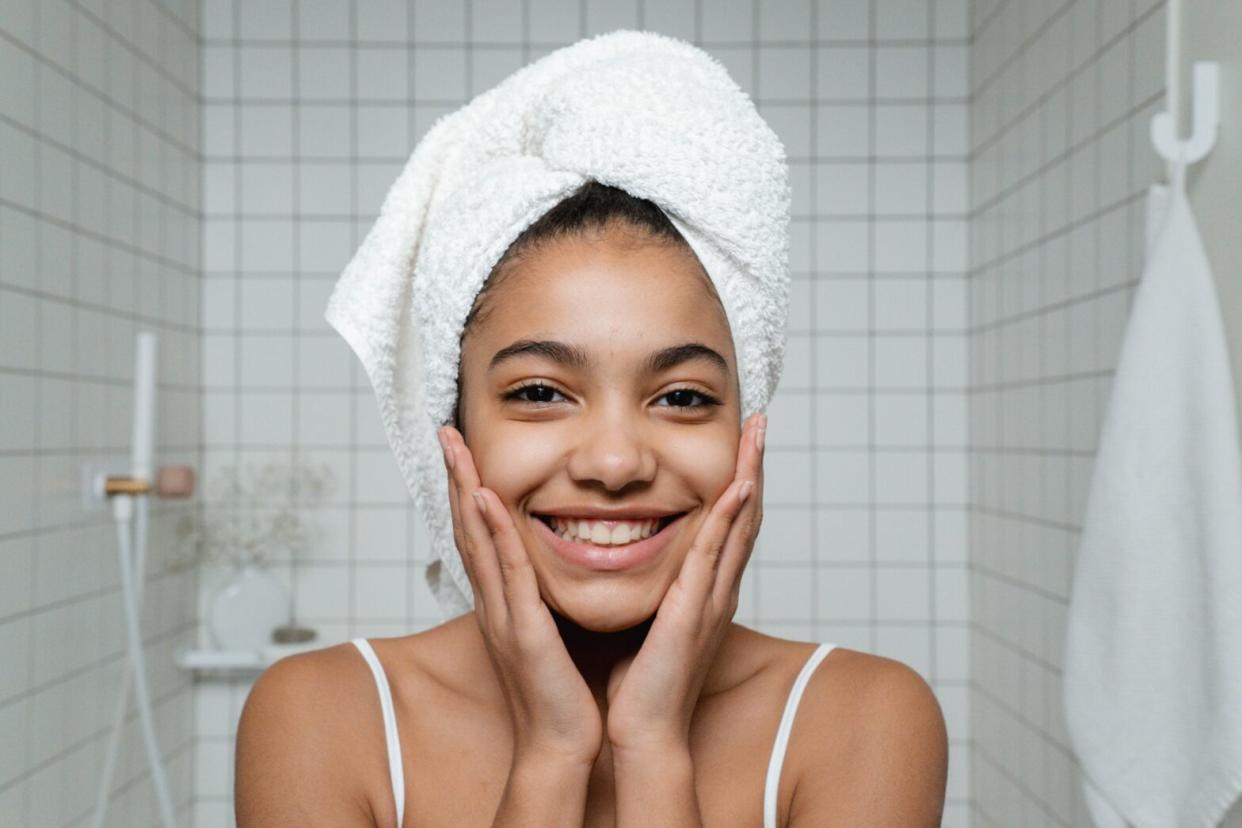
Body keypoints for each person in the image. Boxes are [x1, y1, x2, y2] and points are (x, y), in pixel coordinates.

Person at [234, 181, 948, 826]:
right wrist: (551, 755)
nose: (614, 463)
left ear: (744, 435)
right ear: (454, 436)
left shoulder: (865, 718)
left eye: (681, 398)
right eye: (540, 393)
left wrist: (653, 750)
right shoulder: (319, 718)